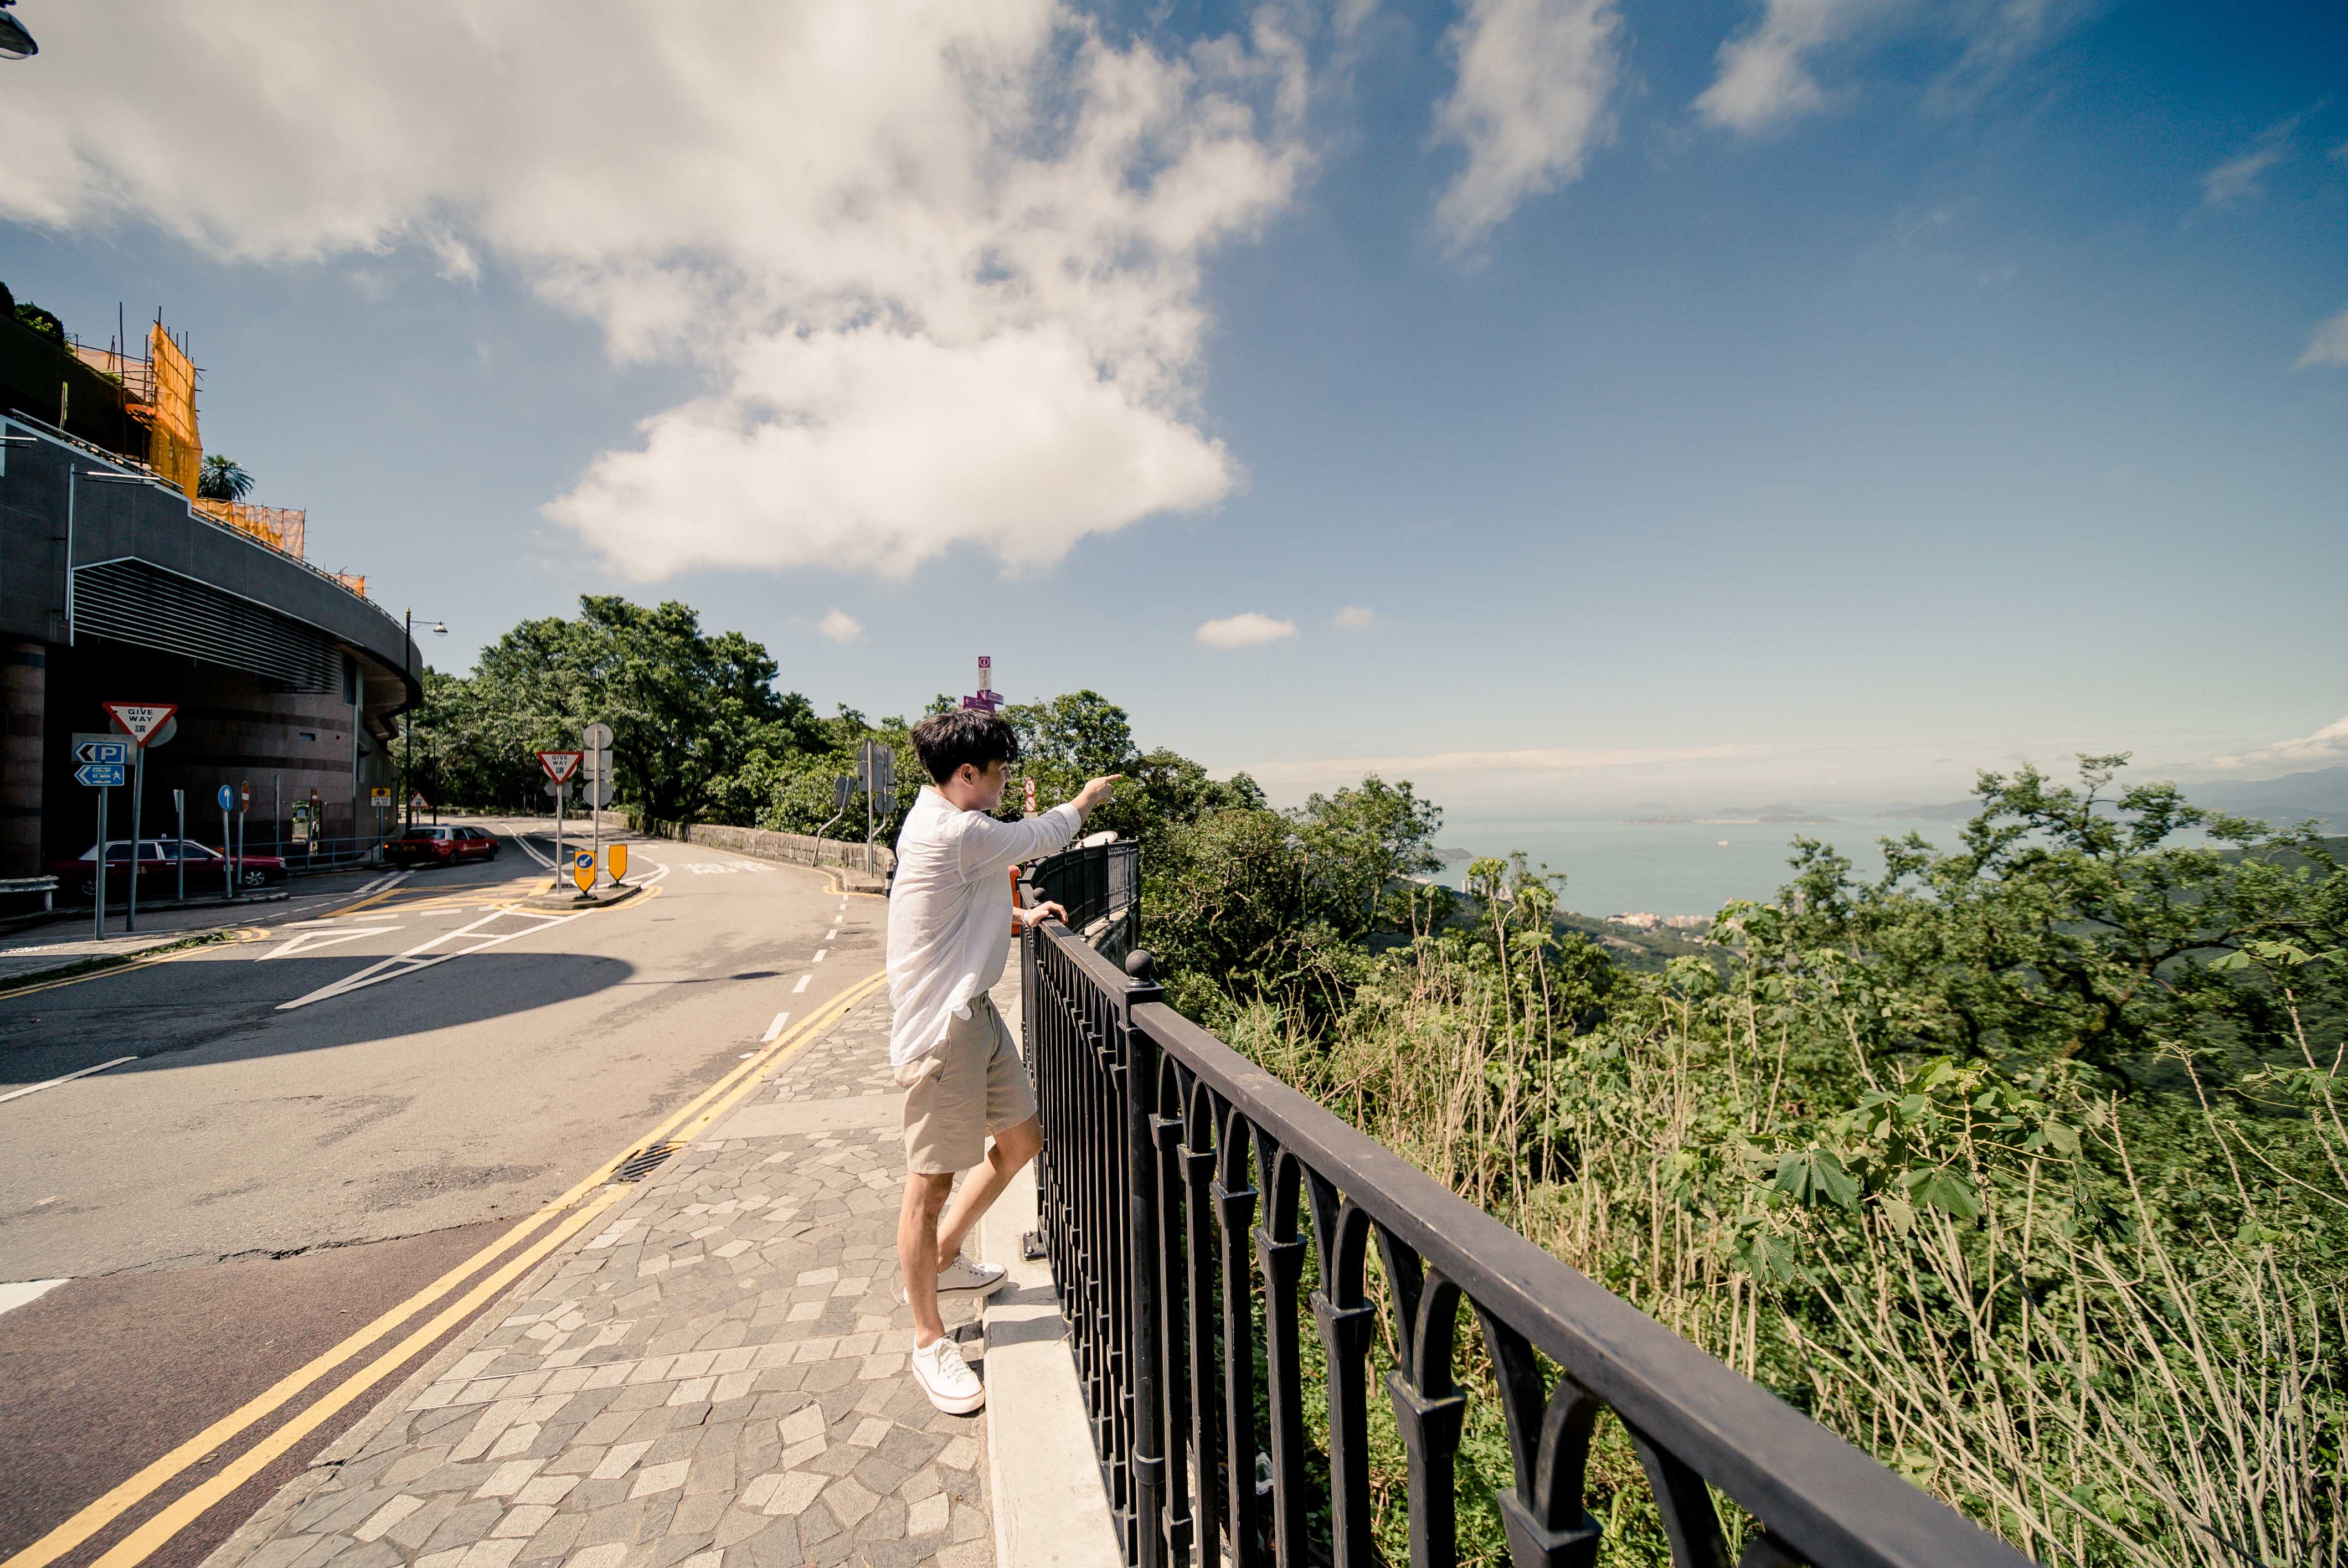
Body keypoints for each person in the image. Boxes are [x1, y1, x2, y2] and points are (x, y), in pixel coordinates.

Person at [887, 708, 1120, 1414]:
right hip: (942, 1029)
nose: (1002, 783)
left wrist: (1016, 918)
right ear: (966, 775)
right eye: (997, 773)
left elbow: (956, 901)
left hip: (976, 1010)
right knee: (928, 1185)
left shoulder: (940, 818)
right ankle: (928, 1340)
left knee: (1021, 1142)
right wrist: (1082, 802)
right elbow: (1038, 835)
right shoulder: (958, 829)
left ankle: (948, 1260)